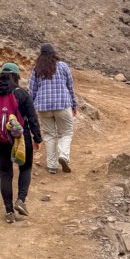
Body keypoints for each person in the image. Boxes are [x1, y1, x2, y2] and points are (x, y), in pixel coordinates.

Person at [0, 62, 42, 223]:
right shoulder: (22, 94)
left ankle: (9, 212)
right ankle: (21, 200)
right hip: (20, 138)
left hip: (0, 138)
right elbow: (32, 118)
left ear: (0, 76)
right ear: (16, 77)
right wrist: (37, 138)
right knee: (25, 168)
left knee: (5, 174)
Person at [29, 43, 77, 175]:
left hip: (43, 107)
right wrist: (74, 104)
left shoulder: (36, 69)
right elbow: (70, 87)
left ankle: (52, 166)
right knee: (66, 132)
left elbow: (31, 91)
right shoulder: (63, 66)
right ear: (53, 53)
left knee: (50, 135)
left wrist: (29, 109)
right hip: (62, 104)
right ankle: (63, 155)